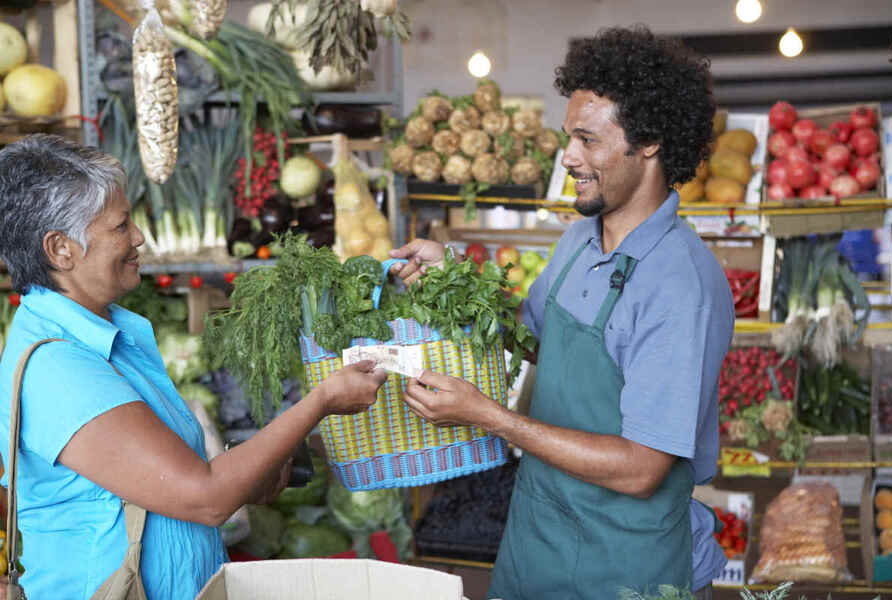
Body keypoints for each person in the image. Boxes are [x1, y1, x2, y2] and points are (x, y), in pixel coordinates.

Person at [390, 26, 733, 599]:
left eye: (587, 140)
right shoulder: (578, 240)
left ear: (649, 142)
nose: (568, 157)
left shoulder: (680, 286)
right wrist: (456, 278)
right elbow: (530, 342)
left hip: (621, 567)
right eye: (568, 137)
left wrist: (491, 417)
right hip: (537, 539)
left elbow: (642, 469)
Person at [0, 134, 387, 600]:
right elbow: (205, 498)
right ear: (60, 249)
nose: (138, 237)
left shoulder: (107, 335)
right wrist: (320, 401)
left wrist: (251, 476)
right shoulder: (59, 369)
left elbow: (163, 479)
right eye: (121, 226)